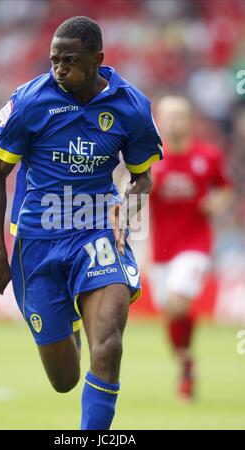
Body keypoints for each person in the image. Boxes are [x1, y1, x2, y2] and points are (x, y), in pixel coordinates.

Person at [0, 16, 163, 430]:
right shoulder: (30, 101)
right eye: (53, 60)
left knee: (110, 345)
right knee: (64, 380)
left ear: (98, 60)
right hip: (37, 242)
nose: (59, 69)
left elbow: (142, 177)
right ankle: (69, 317)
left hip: (96, 230)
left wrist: (129, 205)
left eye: (69, 61)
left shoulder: (131, 107)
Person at [149, 96, 232, 401]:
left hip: (195, 243)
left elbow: (224, 187)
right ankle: (186, 362)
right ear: (158, 121)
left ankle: (185, 363)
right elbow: (127, 195)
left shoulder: (207, 156)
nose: (172, 123)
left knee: (178, 302)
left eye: (178, 117)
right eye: (166, 117)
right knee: (171, 311)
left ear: (189, 120)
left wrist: (217, 204)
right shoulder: (150, 158)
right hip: (162, 250)